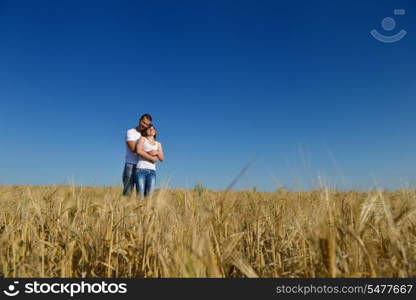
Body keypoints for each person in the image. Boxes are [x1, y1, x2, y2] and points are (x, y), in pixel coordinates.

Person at [122, 113, 153, 196]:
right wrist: (150, 156)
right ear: (139, 120)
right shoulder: (131, 132)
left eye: (147, 124)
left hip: (143, 166)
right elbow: (133, 149)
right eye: (143, 122)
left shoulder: (147, 135)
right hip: (131, 165)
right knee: (128, 192)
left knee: (142, 195)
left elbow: (153, 148)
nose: (144, 125)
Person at [135, 124, 164, 197]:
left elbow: (162, 158)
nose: (151, 130)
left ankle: (147, 208)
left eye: (153, 129)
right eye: (149, 129)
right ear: (145, 131)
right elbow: (138, 151)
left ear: (155, 132)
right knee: (140, 196)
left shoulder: (158, 144)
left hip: (152, 171)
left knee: (149, 197)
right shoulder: (142, 139)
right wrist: (151, 158)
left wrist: (157, 152)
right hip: (141, 170)